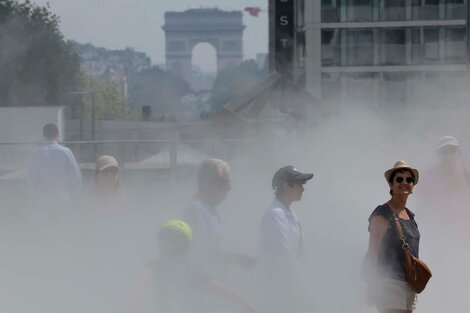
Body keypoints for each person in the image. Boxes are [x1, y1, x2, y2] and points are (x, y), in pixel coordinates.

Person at [123, 220, 257, 313]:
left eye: (173, 241)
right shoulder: (157, 267)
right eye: (165, 240)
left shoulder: (190, 270)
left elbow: (221, 290)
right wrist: (129, 305)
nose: (168, 245)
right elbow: (139, 286)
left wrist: (246, 305)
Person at [364, 161, 422, 313]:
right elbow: (373, 251)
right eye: (399, 179)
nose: (405, 183)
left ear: (413, 185)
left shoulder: (410, 216)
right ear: (391, 184)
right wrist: (372, 283)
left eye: (409, 180)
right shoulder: (382, 213)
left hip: (410, 283)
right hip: (389, 282)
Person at [182, 159, 256, 273]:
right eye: (225, 183)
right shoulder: (196, 209)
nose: (229, 188)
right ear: (210, 184)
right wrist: (235, 259)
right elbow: (200, 254)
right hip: (201, 282)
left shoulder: (211, 210)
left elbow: (212, 251)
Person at [258, 165, 313, 313]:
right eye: (299, 184)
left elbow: (297, 255)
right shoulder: (275, 214)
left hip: (290, 288)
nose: (303, 189)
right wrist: (304, 292)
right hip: (279, 291)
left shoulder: (289, 213)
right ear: (286, 187)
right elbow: (284, 259)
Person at [28, 123, 82, 211]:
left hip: (42, 197)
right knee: (61, 223)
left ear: (44, 135)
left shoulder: (36, 153)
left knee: (44, 223)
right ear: (57, 134)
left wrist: (32, 195)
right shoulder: (66, 152)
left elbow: (32, 177)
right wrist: (77, 193)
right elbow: (75, 175)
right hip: (61, 196)